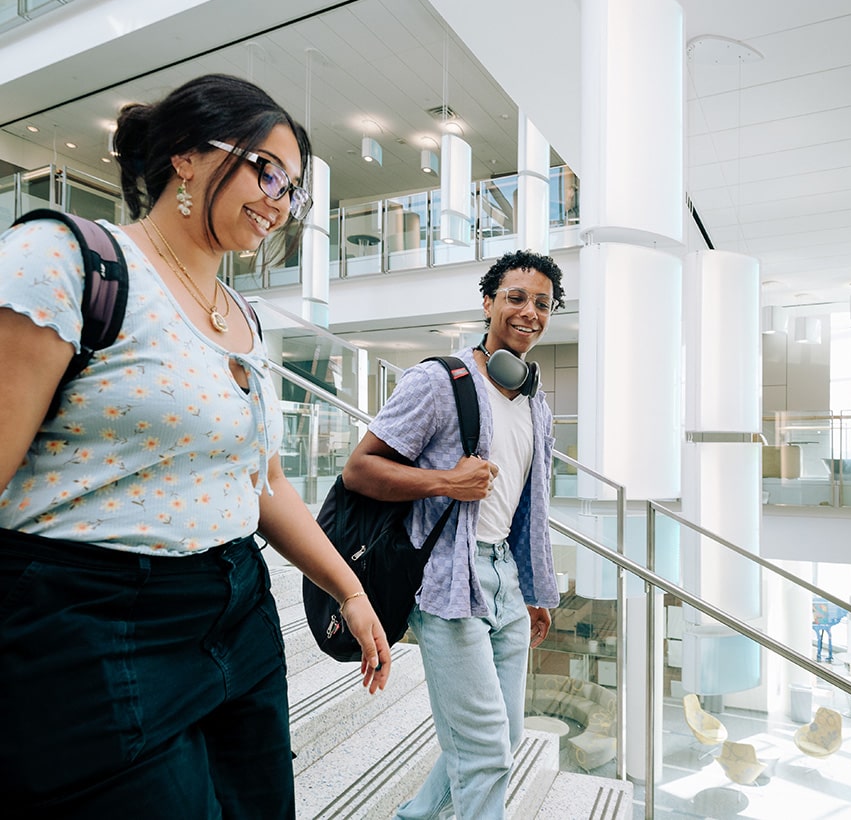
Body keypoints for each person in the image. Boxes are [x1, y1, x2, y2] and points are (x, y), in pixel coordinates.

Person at [0, 73, 391, 819]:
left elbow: (264, 481)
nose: (281, 201)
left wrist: (348, 586)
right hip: (92, 617)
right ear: (186, 156)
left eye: (295, 190)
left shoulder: (243, 317)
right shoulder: (68, 258)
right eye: (267, 170)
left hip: (235, 609)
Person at [342, 250, 566, 819]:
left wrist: (535, 589)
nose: (529, 312)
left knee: (504, 735)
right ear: (488, 303)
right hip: (447, 582)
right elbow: (360, 469)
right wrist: (446, 481)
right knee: (487, 753)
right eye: (516, 297)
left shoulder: (536, 403)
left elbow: (528, 508)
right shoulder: (439, 382)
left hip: (506, 582)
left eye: (542, 303)